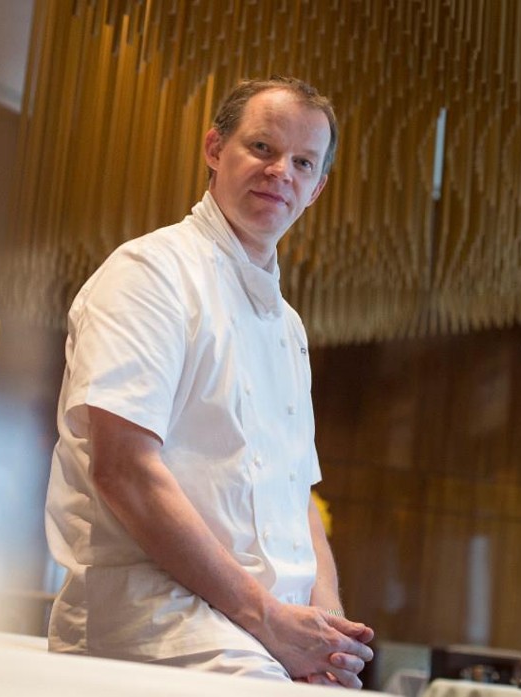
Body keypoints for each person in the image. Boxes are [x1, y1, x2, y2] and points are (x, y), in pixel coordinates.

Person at [44, 76, 375, 687]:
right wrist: (270, 622)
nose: (281, 171)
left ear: (317, 189)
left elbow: (297, 495)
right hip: (158, 619)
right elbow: (125, 469)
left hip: (271, 631)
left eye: (302, 162)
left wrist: (326, 634)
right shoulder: (150, 273)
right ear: (214, 149)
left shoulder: (290, 328)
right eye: (262, 148)